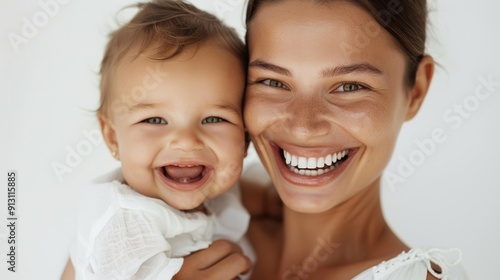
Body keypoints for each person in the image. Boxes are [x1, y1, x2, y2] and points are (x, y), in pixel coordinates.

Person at [175, 0, 467, 279]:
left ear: (416, 90)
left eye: (349, 86)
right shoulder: (175, 232)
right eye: (273, 82)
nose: (303, 127)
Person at [63, 0, 253, 279]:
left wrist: (270, 200)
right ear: (113, 137)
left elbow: (242, 192)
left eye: (214, 119)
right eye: (154, 120)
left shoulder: (219, 190)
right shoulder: (123, 220)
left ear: (246, 137)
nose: (187, 142)